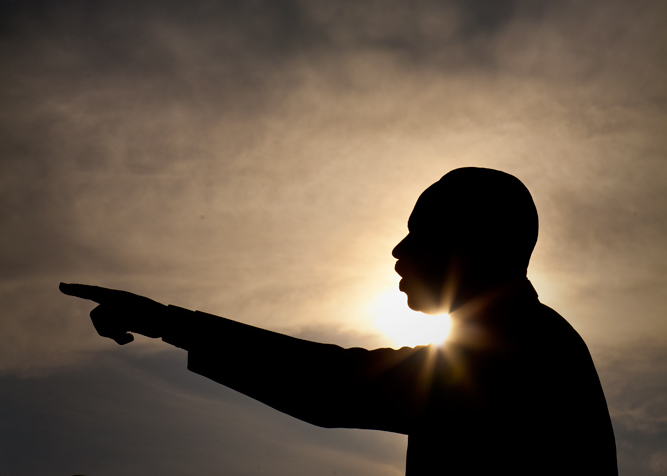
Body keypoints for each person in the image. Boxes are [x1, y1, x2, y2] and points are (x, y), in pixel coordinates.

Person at [60, 167, 618, 474]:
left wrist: (166, 322)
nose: (398, 250)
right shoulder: (526, 340)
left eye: (420, 233)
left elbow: (331, 385)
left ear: (469, 244)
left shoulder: (521, 350)